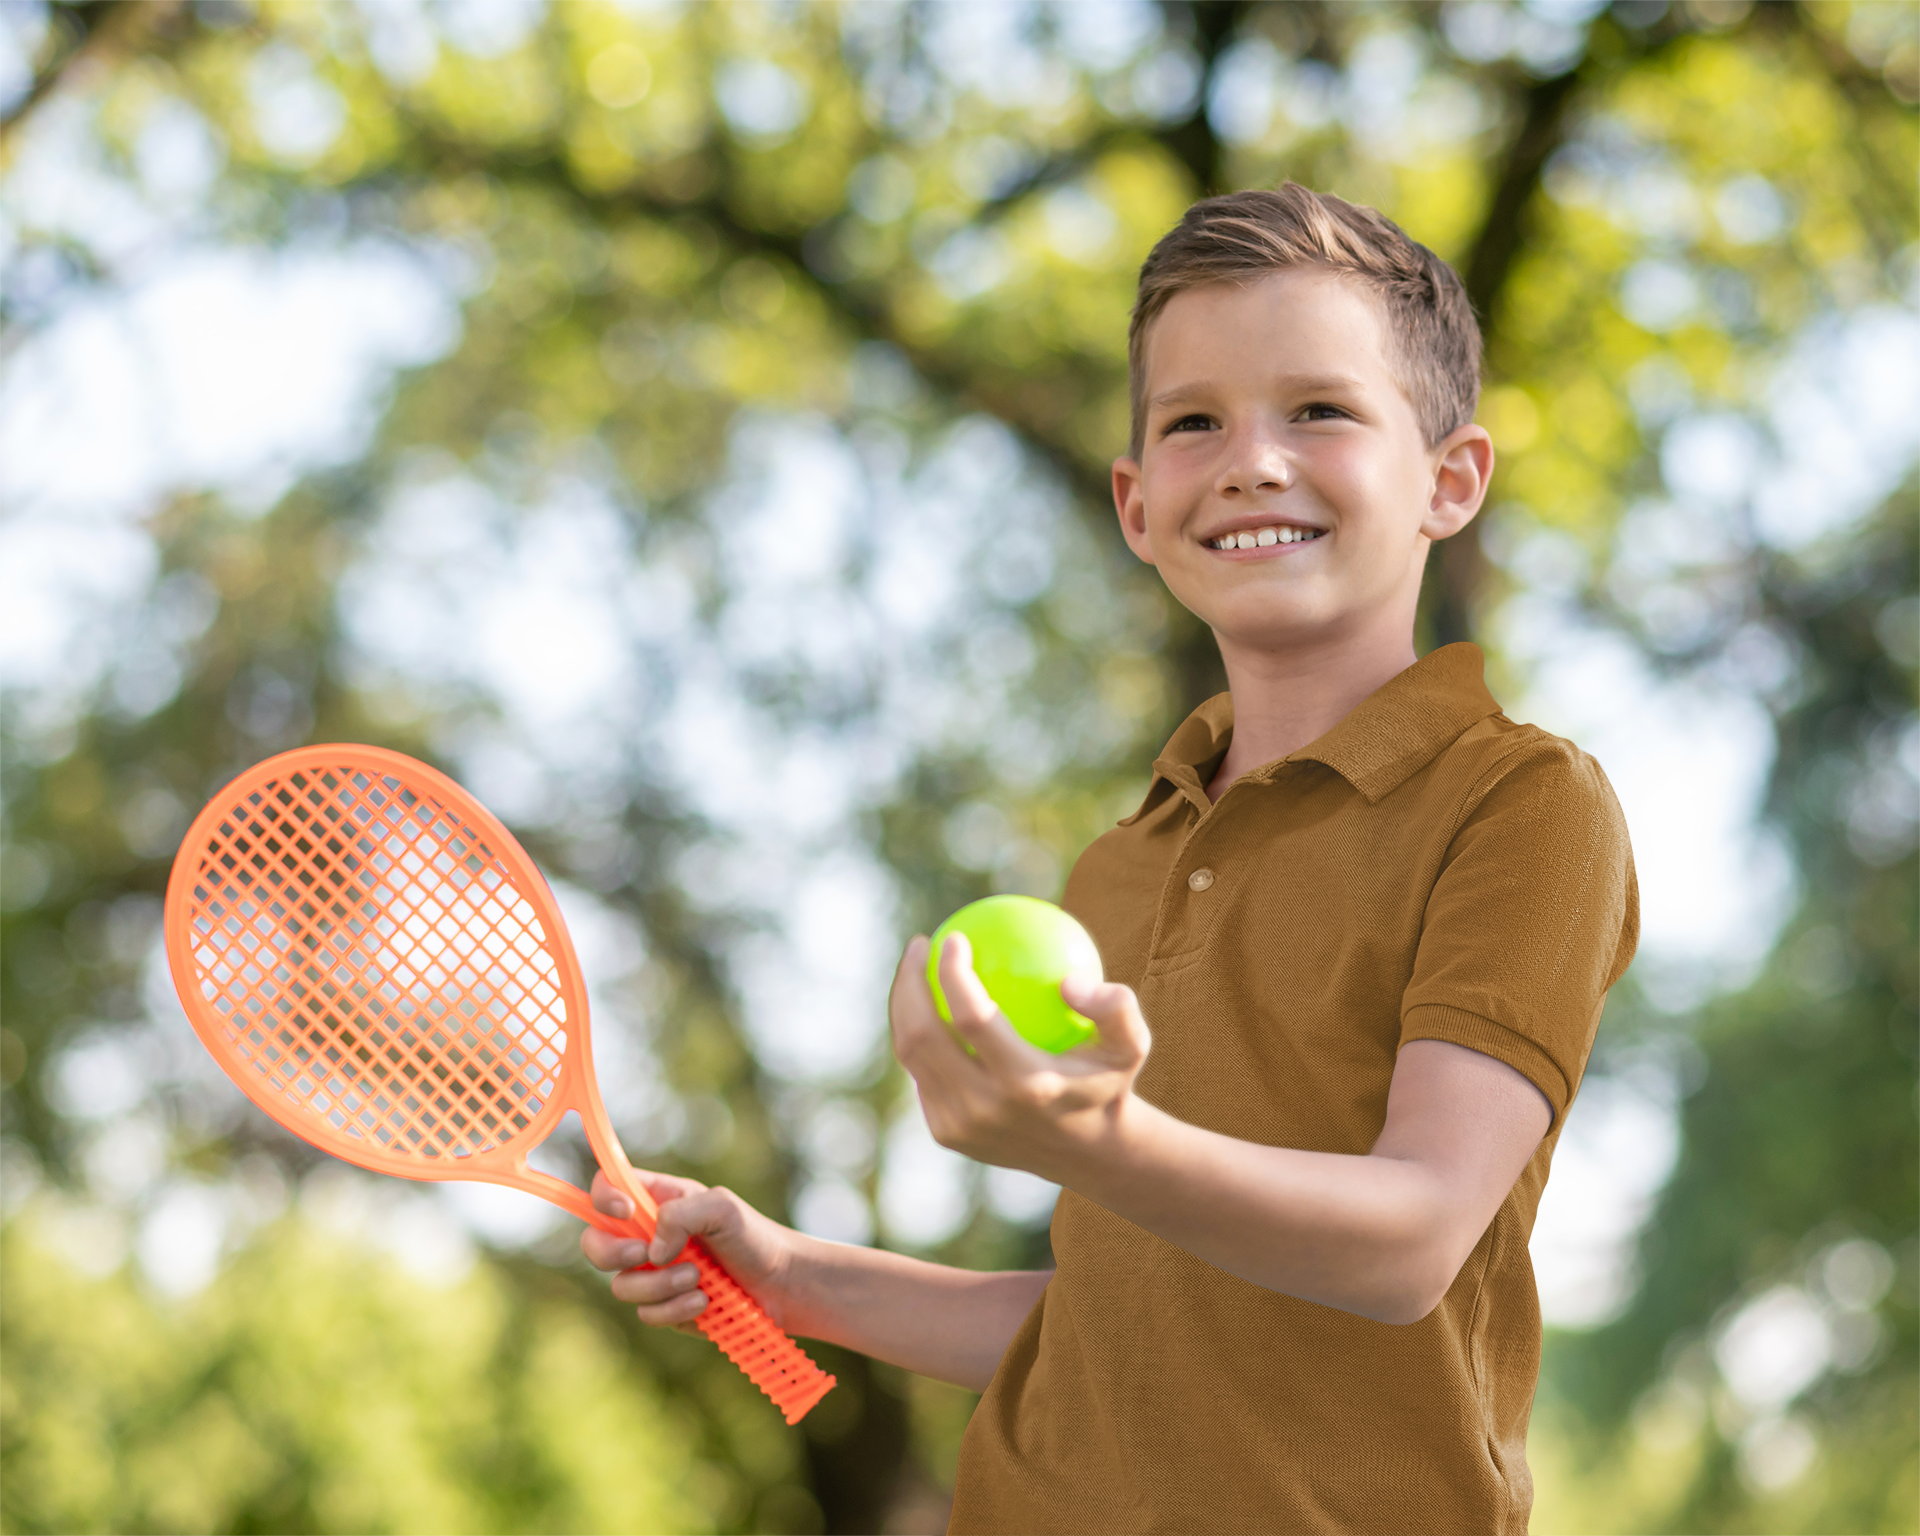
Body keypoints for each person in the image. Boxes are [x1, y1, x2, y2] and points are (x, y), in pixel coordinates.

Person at [582, 183, 1638, 1534]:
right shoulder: (1121, 866)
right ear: (1138, 505)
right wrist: (789, 1278)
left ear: (1450, 479)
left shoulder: (1526, 805)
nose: (1251, 459)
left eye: (1320, 409)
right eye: (1194, 421)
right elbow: (1125, 1319)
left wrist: (1106, 1138)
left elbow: (1411, 1240)